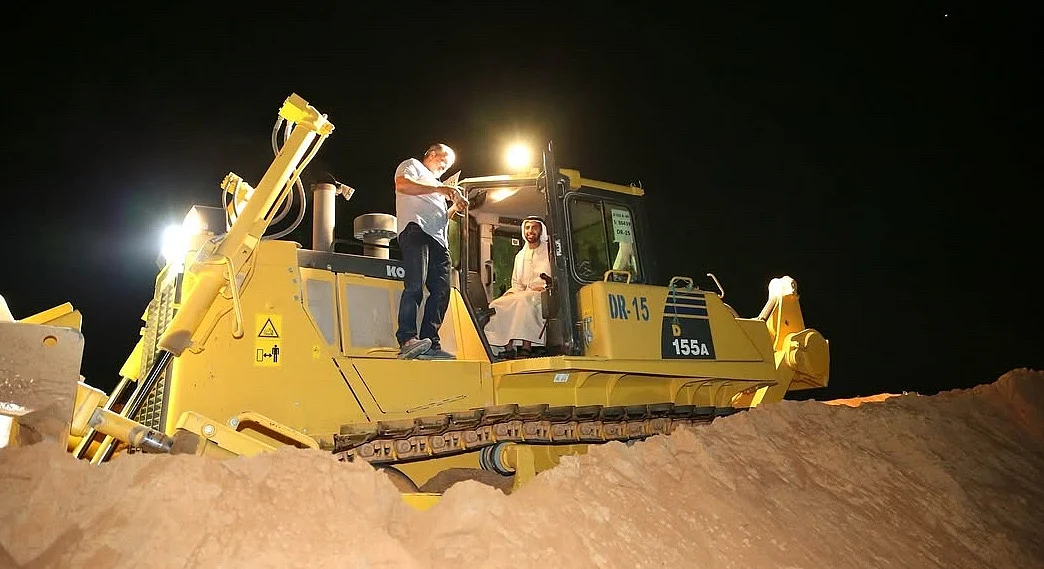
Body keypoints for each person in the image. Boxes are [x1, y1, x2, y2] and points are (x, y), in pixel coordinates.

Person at [394, 143, 468, 360]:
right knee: (415, 285)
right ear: (432, 154)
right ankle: (407, 339)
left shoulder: (436, 186)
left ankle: (430, 342)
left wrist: (454, 207)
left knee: (442, 291)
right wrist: (441, 189)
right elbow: (402, 185)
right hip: (416, 230)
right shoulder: (413, 165)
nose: (446, 166)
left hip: (438, 239)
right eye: (445, 160)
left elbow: (441, 218)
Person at [484, 217, 553, 355]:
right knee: (497, 304)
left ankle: (526, 346)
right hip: (523, 292)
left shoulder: (550, 253)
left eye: (534, 227)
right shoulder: (520, 256)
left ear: (541, 230)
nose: (530, 231)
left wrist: (546, 286)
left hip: (545, 294)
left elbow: (555, 279)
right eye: (527, 228)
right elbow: (516, 282)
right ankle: (505, 347)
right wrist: (511, 292)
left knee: (523, 300)